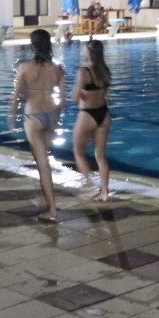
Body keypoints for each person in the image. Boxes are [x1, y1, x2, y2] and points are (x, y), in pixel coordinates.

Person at [8, 29, 66, 221]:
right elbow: (63, 101)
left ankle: (52, 210)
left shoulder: (25, 68)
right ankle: (41, 198)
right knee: (43, 159)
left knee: (43, 164)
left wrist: (12, 116)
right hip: (51, 116)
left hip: (33, 117)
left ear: (32, 46)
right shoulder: (58, 68)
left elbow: (16, 96)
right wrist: (56, 119)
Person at [71, 39, 112, 201]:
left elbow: (74, 97)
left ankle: (89, 186)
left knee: (79, 152)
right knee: (100, 156)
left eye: (84, 49)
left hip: (87, 115)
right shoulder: (106, 71)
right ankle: (105, 193)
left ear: (89, 53)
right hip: (104, 114)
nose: (82, 51)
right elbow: (105, 96)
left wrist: (82, 93)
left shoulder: (83, 72)